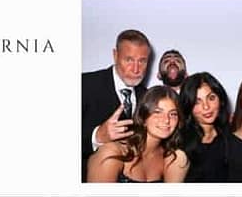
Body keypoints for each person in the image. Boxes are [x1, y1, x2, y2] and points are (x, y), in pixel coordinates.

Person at [80, 29, 151, 179]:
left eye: (142, 61)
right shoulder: (84, 85)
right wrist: (96, 137)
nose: (136, 69)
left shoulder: (148, 97)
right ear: (115, 55)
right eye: (129, 60)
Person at [86, 86, 190, 183]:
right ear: (143, 118)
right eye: (157, 112)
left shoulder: (171, 158)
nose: (166, 120)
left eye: (173, 114)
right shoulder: (111, 153)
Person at [178, 72, 232, 183]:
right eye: (197, 102)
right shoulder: (180, 146)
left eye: (211, 98)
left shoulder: (229, 136)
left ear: (220, 100)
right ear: (188, 106)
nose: (206, 106)